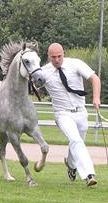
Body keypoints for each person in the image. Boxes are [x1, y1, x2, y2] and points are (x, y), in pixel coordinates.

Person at [37, 43, 101, 187]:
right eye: (53, 57)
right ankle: (89, 175)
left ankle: (71, 165)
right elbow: (33, 86)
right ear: (48, 57)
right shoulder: (43, 72)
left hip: (81, 111)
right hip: (62, 114)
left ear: (63, 53)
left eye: (59, 56)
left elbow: (94, 79)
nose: (57, 60)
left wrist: (96, 97)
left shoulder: (75, 64)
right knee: (75, 140)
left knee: (78, 142)